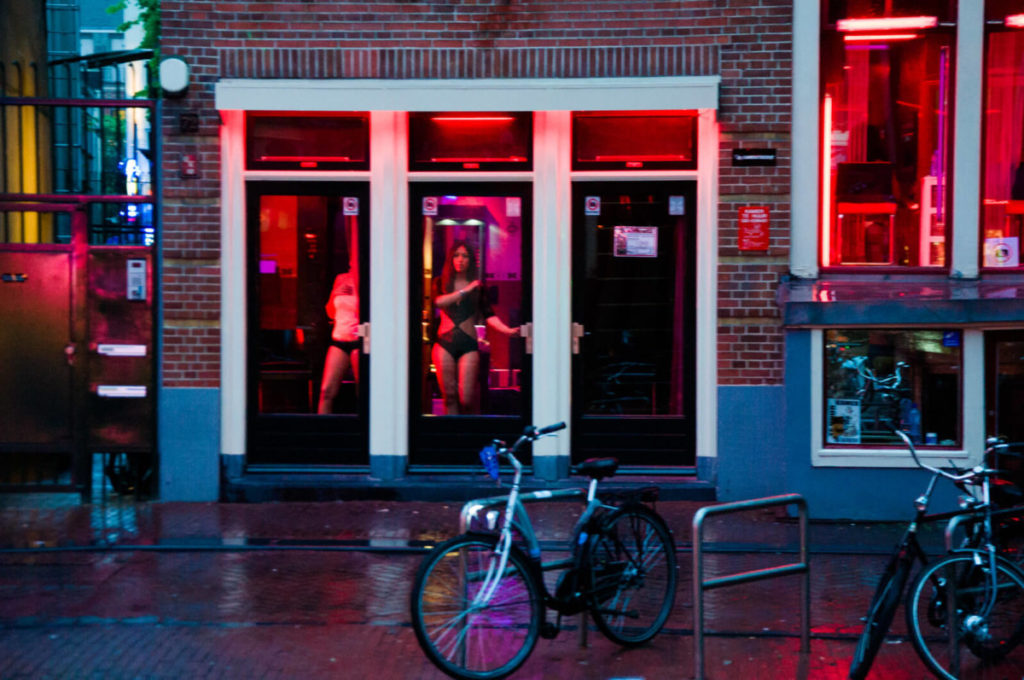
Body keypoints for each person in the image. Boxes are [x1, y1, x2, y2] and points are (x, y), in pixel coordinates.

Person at [431, 241, 518, 415]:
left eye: (465, 256)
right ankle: (454, 437)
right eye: (456, 255)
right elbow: (439, 302)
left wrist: (507, 331)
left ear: (471, 260)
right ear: (451, 259)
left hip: (468, 344)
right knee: (449, 397)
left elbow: (489, 315)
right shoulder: (440, 282)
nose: (460, 259)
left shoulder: (478, 288)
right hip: (444, 344)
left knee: (467, 398)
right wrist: (466, 290)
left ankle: (467, 434)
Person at [317, 269, 360, 414]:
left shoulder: (370, 279)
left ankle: (366, 431)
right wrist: (334, 293)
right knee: (326, 391)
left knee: (363, 392)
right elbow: (330, 312)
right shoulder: (341, 278)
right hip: (339, 338)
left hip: (358, 340)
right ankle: (321, 433)